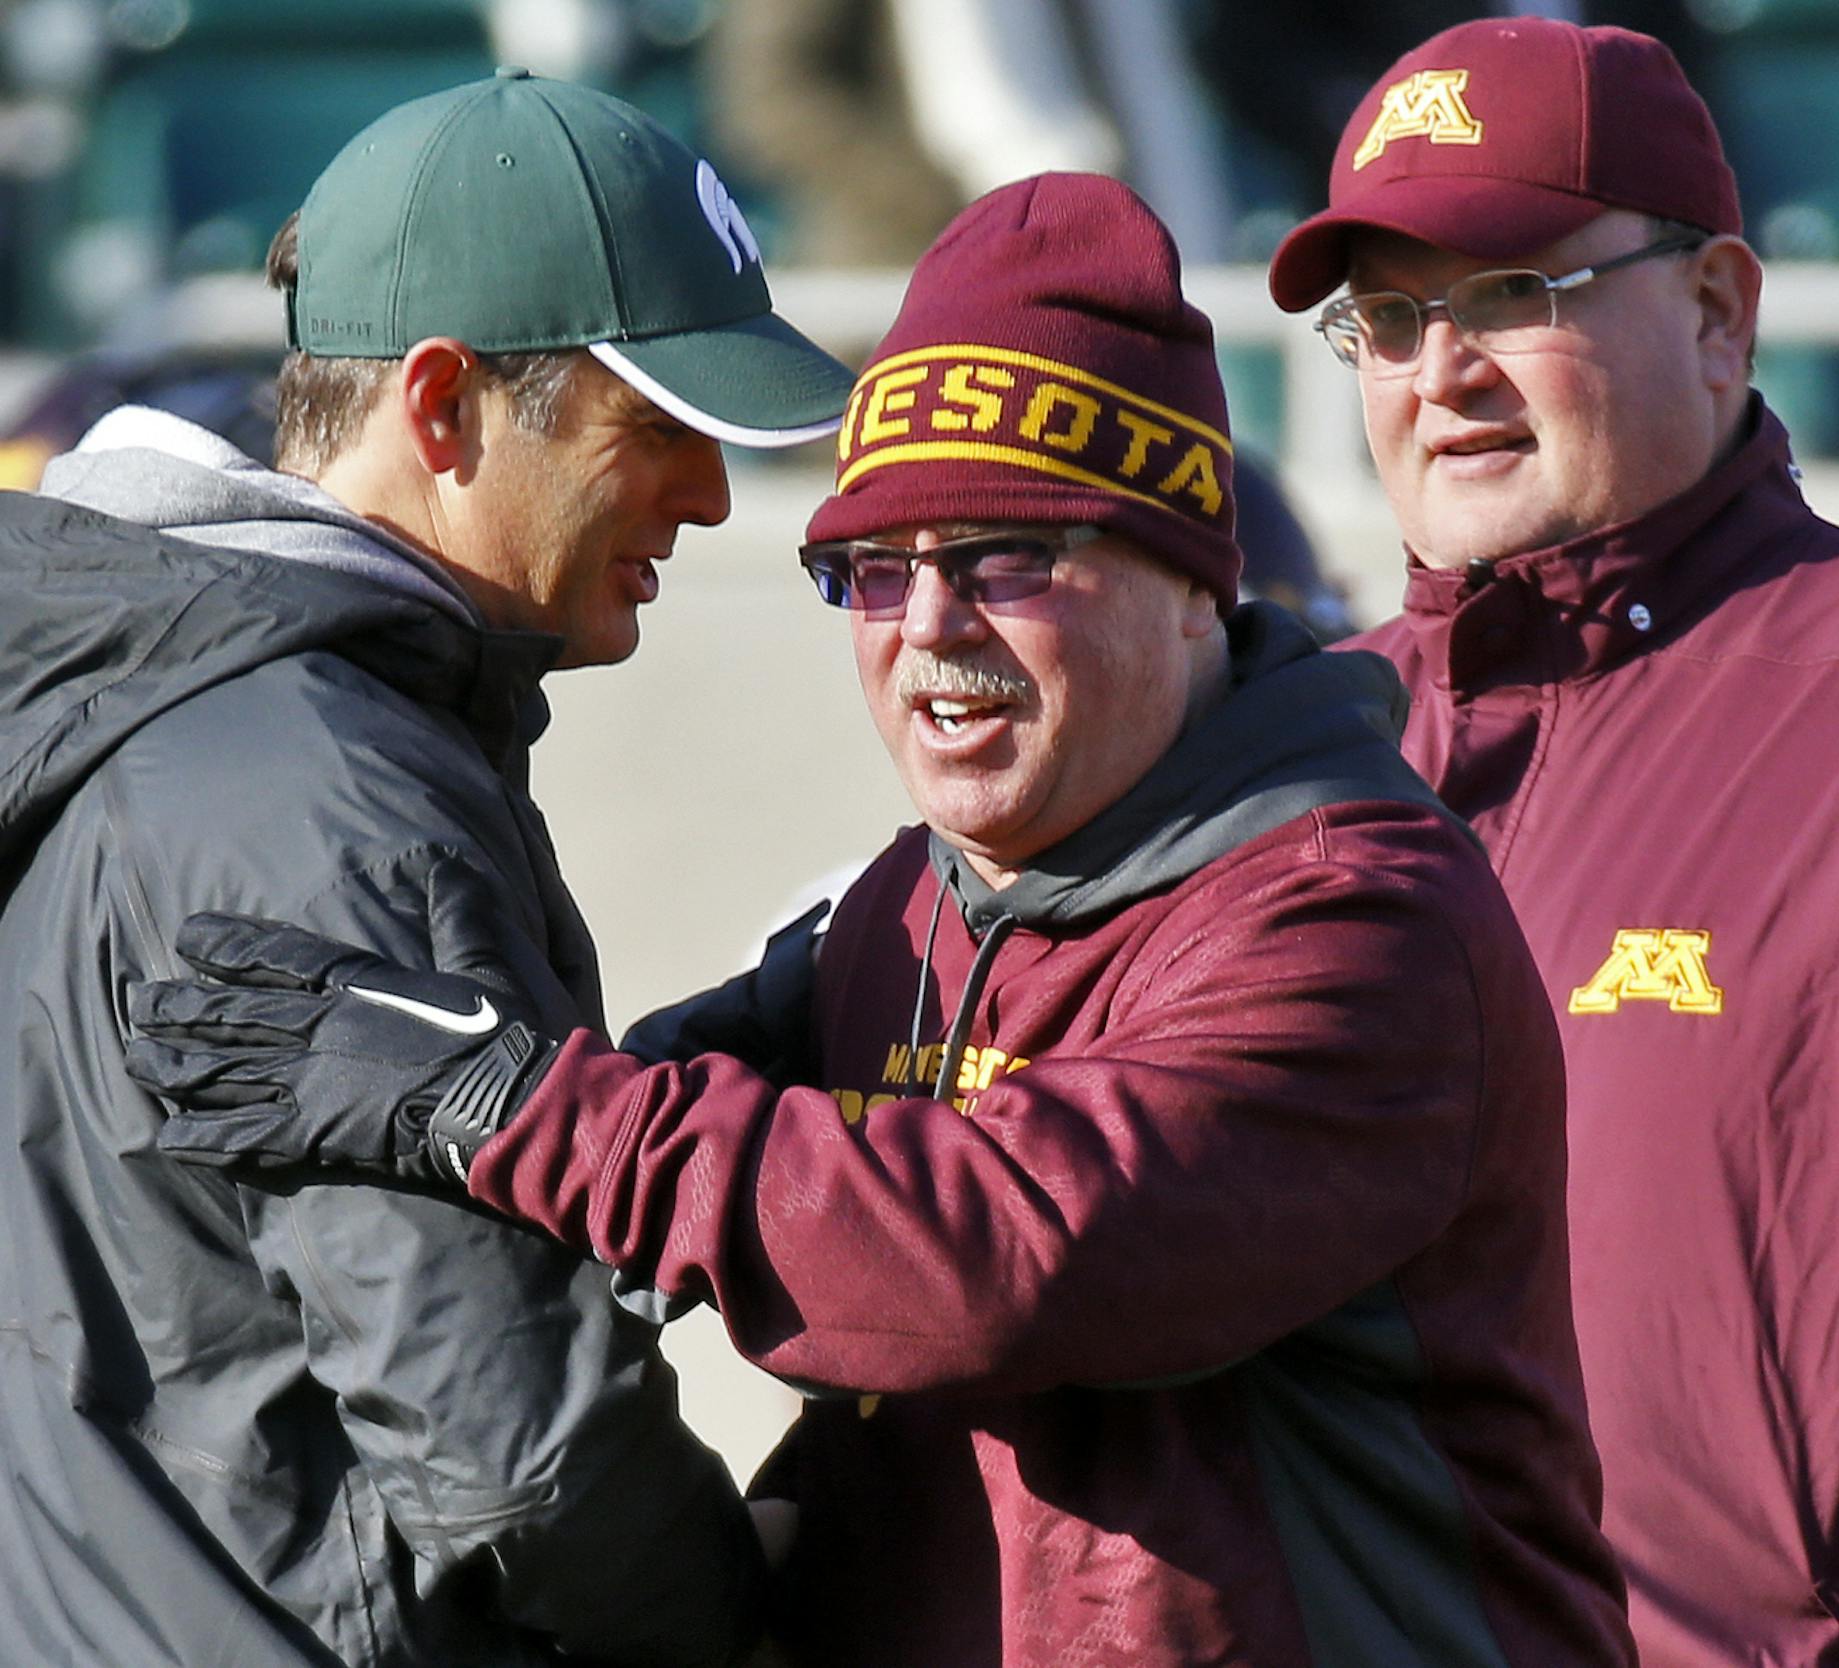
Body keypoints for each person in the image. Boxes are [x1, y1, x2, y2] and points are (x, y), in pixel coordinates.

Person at [127, 171, 1637, 1668]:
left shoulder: (1353, 923)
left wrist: (501, 1100)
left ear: (1190, 582)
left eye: (1006, 557)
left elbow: (994, 1256)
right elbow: (663, 1185)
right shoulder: (910, 909)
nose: (928, 629)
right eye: (867, 570)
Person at [1266, 16, 1839, 1665]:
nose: (1441, 370)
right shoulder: (1286, 764)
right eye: (1388, 319)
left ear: (1718, 309)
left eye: (1512, 295)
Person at [0, 68, 853, 1666]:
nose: (714, 493)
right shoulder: (321, 791)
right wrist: (750, 1631)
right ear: (445, 404)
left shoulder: (159, 706)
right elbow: (516, 1452)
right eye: (658, 423)